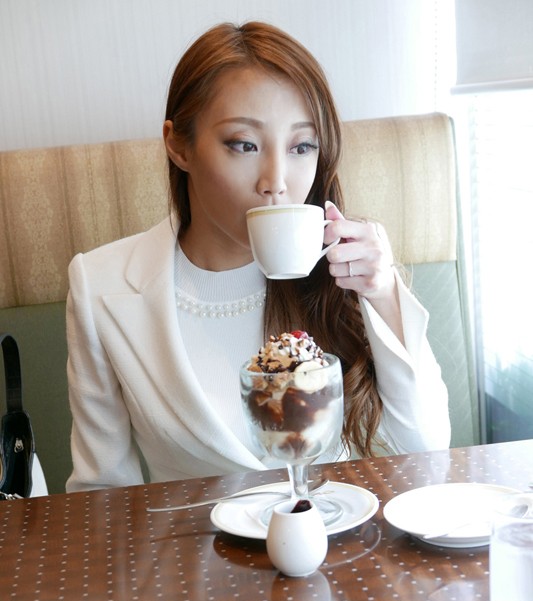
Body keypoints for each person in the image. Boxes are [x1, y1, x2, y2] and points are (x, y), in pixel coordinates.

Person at [65, 21, 450, 492]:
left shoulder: (345, 268)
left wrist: (383, 291)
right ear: (179, 145)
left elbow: (427, 448)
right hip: (194, 542)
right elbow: (101, 494)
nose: (276, 181)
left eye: (301, 146)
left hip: (334, 533)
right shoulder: (100, 286)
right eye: (244, 145)